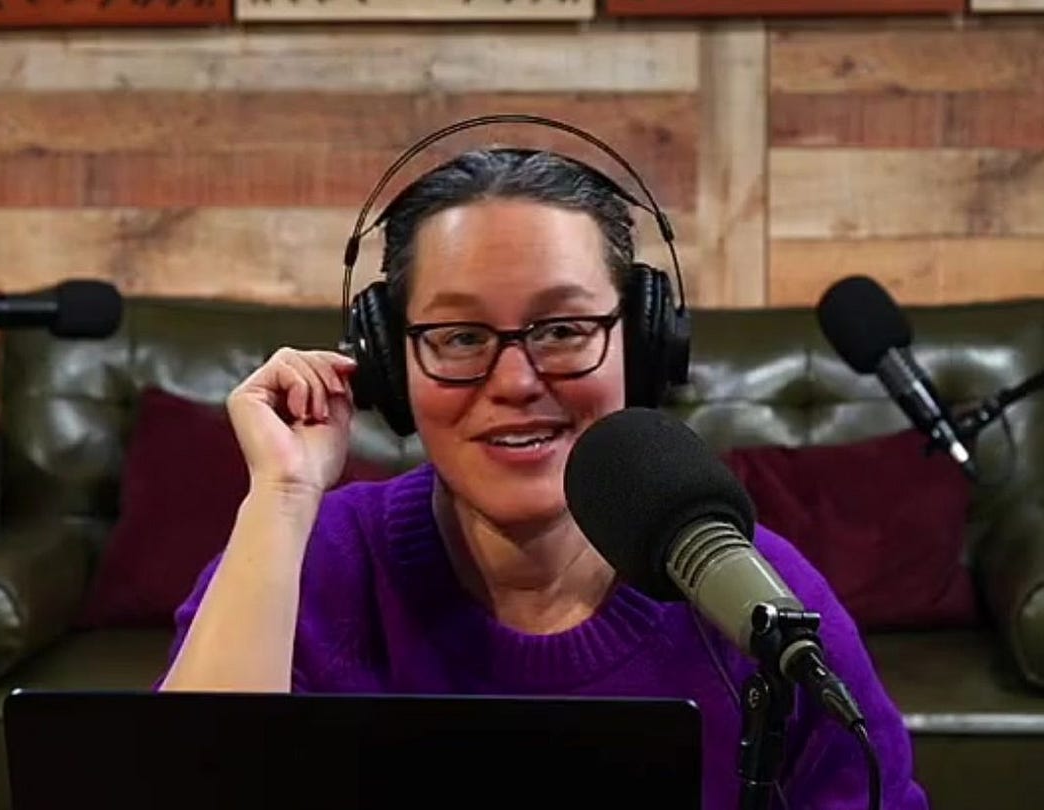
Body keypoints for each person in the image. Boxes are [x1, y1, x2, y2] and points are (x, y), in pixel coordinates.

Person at [158, 145, 929, 810]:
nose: (518, 381)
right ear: (390, 366)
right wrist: (282, 500)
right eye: (459, 336)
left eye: (562, 330)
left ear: (646, 345)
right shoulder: (309, 564)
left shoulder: (753, 595)